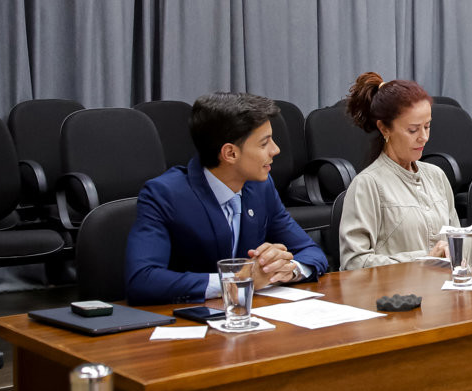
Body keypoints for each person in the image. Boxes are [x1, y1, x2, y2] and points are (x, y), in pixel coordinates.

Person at [126, 92, 327, 305]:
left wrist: (288, 269)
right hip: (189, 321)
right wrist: (238, 280)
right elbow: (142, 280)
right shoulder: (164, 194)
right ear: (230, 153)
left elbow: (311, 251)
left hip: (251, 317)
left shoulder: (260, 187)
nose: (276, 150)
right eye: (264, 143)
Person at [338, 72, 459, 269]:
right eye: (413, 130)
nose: (424, 137)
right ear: (384, 129)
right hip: (395, 296)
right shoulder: (368, 185)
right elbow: (353, 263)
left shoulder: (437, 176)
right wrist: (424, 259)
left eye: (427, 127)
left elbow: (456, 241)